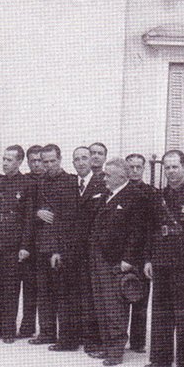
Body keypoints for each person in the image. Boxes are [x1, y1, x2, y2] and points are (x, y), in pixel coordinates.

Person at [143, 150, 184, 367]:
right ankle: (160, 359)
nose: (170, 171)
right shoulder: (158, 196)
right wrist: (148, 259)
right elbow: (151, 229)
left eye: (174, 167)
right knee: (160, 312)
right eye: (167, 167)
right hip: (161, 259)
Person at [89, 157, 147, 366]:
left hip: (116, 261)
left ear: (122, 176)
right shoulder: (107, 195)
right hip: (98, 258)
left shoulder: (135, 197)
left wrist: (128, 259)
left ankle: (115, 350)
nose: (104, 178)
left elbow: (138, 232)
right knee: (102, 304)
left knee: (115, 306)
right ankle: (107, 345)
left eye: (108, 174)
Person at [0, 145, 35, 343]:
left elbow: (28, 219)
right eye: (3, 159)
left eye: (9, 160)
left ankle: (8, 330)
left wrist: (25, 246)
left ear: (19, 162)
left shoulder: (27, 184)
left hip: (14, 243)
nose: (4, 163)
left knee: (11, 288)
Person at [29, 144, 80, 350]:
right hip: (41, 244)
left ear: (60, 159)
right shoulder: (39, 182)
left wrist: (59, 249)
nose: (49, 165)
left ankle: (66, 338)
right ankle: (47, 331)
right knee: (44, 292)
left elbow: (70, 218)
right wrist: (37, 213)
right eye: (45, 161)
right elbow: (29, 209)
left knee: (63, 294)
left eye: (52, 161)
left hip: (60, 246)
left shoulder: (70, 182)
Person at [72, 146, 106, 355]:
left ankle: (95, 339)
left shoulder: (102, 183)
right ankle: (78, 336)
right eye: (77, 159)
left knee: (94, 297)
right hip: (73, 250)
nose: (82, 162)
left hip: (94, 250)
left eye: (85, 158)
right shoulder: (69, 183)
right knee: (76, 295)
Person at [124, 153, 153, 354]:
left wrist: (149, 258)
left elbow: (153, 228)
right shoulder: (120, 191)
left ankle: (138, 341)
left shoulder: (151, 193)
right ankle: (117, 338)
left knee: (141, 300)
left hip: (142, 254)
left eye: (138, 167)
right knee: (119, 299)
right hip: (122, 254)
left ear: (144, 169)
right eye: (131, 167)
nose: (134, 170)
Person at [18, 144, 45, 338]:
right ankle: (27, 326)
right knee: (28, 286)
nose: (36, 164)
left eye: (39, 160)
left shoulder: (51, 180)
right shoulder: (24, 181)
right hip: (26, 241)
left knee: (45, 288)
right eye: (32, 160)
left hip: (46, 242)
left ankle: (47, 329)